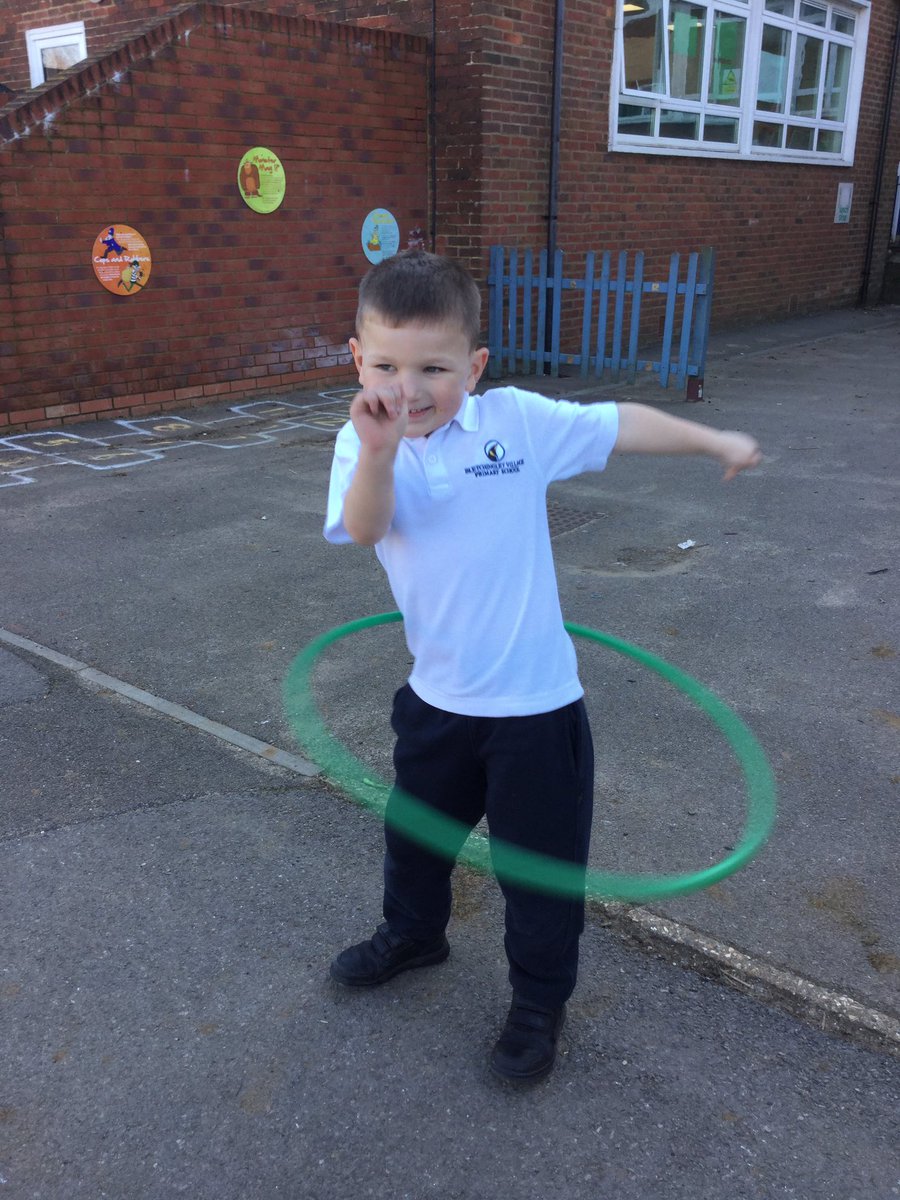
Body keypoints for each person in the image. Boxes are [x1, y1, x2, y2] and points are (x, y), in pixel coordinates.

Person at [323, 250, 761, 1083]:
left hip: (536, 710)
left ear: (475, 366)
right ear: (358, 359)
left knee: (541, 876)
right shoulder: (362, 439)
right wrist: (379, 452)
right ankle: (415, 936)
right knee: (414, 844)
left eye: (434, 368)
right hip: (437, 702)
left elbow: (621, 423)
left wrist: (714, 439)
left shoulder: (514, 423)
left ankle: (537, 1005)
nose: (409, 388)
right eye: (387, 365)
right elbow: (368, 526)